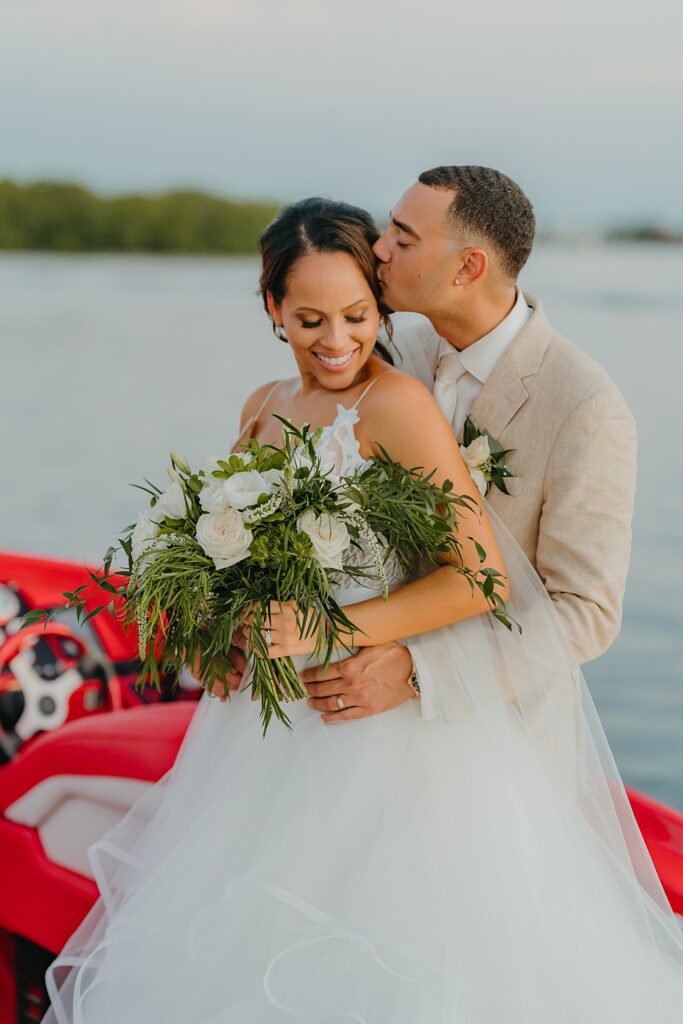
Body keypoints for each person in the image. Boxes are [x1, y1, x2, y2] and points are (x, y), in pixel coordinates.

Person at [43, 198, 683, 1023]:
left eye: (356, 314)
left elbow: (484, 578)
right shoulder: (264, 406)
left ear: (383, 305)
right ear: (272, 309)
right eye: (309, 318)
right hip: (265, 739)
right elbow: (232, 556)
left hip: (397, 739)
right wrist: (219, 636)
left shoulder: (400, 402)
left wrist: (328, 630)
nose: (337, 338)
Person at [294, 166, 638, 726]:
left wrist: (419, 673)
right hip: (344, 706)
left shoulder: (584, 405)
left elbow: (586, 612)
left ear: (467, 268)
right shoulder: (389, 353)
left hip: (490, 730)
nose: (378, 248)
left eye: (404, 239)